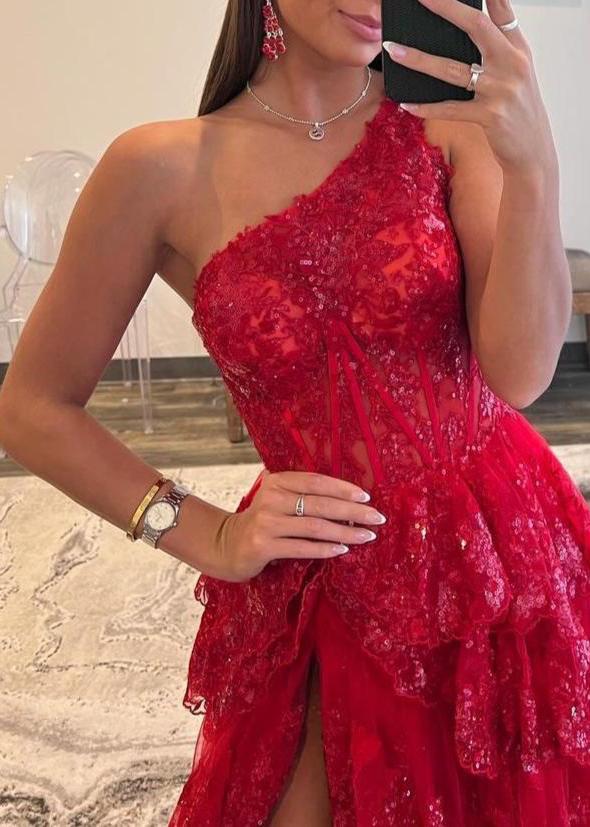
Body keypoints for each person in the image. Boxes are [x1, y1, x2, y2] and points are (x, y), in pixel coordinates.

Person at [0, 0, 589, 823]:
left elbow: (521, 373)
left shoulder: (449, 126)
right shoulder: (161, 168)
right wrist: (204, 531)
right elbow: (32, 405)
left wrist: (535, 163)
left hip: (492, 552)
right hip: (324, 566)